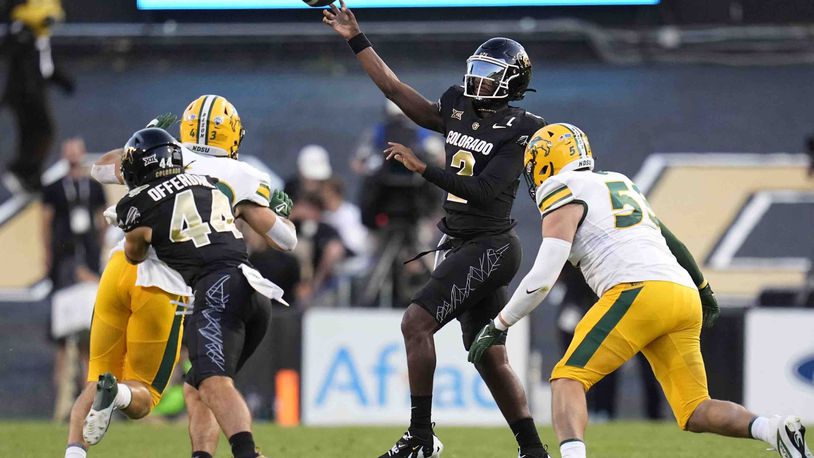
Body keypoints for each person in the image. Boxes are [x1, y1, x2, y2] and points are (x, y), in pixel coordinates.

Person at [468, 123, 813, 458]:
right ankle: (773, 428)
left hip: (638, 291)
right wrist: (704, 288)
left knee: (567, 380)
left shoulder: (561, 187)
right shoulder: (621, 182)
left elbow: (543, 276)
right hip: (681, 293)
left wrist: (499, 324)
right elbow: (672, 240)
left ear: (547, 161)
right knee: (695, 409)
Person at [324, 2, 548, 457]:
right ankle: (533, 450)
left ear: (511, 83)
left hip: (491, 245)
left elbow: (485, 190)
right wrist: (355, 37)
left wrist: (424, 169)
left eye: (489, 73)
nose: (477, 80)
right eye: (477, 70)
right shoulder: (457, 103)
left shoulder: (525, 129)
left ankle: (421, 437)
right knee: (487, 352)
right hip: (459, 241)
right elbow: (392, 87)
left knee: (415, 321)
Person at [65, 96, 296, 458]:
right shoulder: (242, 176)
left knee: (189, 381)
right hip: (176, 283)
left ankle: (75, 450)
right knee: (187, 385)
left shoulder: (168, 156)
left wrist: (142, 138)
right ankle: (244, 452)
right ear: (233, 134)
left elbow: (101, 171)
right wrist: (276, 212)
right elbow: (287, 239)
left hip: (125, 267)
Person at [114, 127, 288, 458]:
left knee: (213, 383)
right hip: (252, 286)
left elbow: (133, 254)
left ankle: (248, 454)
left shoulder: (136, 203)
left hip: (216, 289)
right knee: (197, 388)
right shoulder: (208, 183)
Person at [42, 137, 106, 421]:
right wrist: (47, 254)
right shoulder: (54, 188)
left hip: (89, 264)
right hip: (63, 267)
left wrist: (99, 250)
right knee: (62, 340)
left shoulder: (92, 187)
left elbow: (101, 220)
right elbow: (45, 220)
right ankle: (62, 404)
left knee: (88, 341)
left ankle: (87, 402)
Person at [1, 0, 73, 191]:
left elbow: (45, 65)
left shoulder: (39, 36)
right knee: (43, 130)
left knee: (34, 133)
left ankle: (30, 176)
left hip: (33, 91)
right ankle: (21, 170)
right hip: (24, 94)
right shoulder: (21, 32)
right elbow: (15, 58)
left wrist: (63, 82)